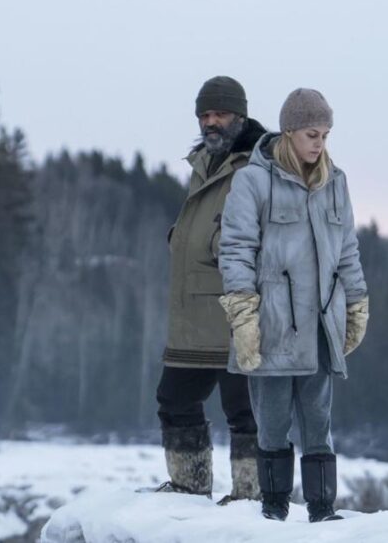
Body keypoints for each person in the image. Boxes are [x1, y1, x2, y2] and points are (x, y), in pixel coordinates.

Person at [217, 88, 370, 522]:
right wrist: (243, 316)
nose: (319, 143)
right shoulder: (252, 181)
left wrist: (357, 305)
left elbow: (347, 253)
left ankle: (323, 510)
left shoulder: (335, 182)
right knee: (272, 423)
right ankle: (273, 510)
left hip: (320, 325)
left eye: (325, 134)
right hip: (272, 326)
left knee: (319, 423)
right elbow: (236, 250)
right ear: (288, 133)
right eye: (311, 133)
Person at [152, 76, 266, 504]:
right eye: (204, 114)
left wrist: (220, 243)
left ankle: (252, 498)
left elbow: (260, 231)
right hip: (193, 315)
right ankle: (188, 489)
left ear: (239, 115)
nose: (210, 121)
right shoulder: (203, 160)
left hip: (238, 311)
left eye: (218, 113)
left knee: (246, 412)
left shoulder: (261, 164)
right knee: (173, 399)